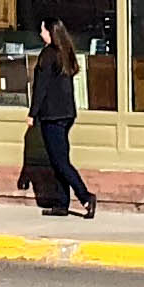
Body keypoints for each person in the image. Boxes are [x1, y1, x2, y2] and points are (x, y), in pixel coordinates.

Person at [29, 18, 99, 218]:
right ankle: (61, 203)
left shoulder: (48, 55)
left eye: (43, 30)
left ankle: (85, 196)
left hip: (52, 115)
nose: (41, 33)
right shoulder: (65, 53)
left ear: (51, 32)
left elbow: (40, 89)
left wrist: (32, 113)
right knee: (59, 158)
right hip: (67, 114)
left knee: (60, 161)